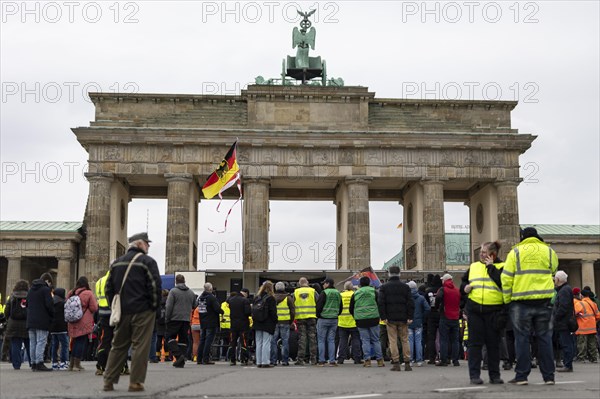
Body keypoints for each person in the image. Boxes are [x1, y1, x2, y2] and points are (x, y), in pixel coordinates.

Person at [103, 232, 162, 392]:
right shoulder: (147, 262)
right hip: (143, 310)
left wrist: (114, 307)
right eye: (147, 243)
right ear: (140, 244)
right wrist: (155, 309)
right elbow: (154, 287)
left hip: (122, 311)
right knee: (140, 346)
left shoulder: (116, 264)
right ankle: (135, 382)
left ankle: (108, 380)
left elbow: (109, 288)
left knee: (118, 346)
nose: (148, 246)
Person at [501, 227, 558, 385]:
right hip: (544, 300)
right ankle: (549, 377)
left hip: (521, 302)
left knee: (522, 339)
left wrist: (507, 300)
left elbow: (506, 278)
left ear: (522, 237)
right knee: (545, 338)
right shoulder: (548, 251)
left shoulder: (515, 252)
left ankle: (522, 376)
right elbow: (553, 269)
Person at [461, 241, 505, 385]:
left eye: (484, 252)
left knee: (493, 345)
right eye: (481, 251)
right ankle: (474, 375)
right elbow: (463, 283)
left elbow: (503, 284)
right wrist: (465, 288)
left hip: (494, 311)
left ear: (493, 254)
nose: (481, 254)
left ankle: (495, 375)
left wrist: (490, 267)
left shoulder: (502, 267)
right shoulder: (473, 266)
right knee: (475, 344)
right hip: (475, 311)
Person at [378, 265, 414, 372]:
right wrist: (410, 316)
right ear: (400, 273)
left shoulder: (384, 287)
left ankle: (396, 363)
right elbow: (410, 302)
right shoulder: (405, 287)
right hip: (403, 318)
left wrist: (383, 316)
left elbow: (381, 303)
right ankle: (407, 363)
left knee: (392, 340)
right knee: (405, 340)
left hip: (390, 318)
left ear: (389, 273)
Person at [95, 269, 129, 376]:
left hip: (103, 315)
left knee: (104, 341)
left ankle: (100, 367)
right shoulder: (117, 279)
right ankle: (123, 367)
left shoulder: (99, 281)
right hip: (115, 313)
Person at [350, 276, 384, 368]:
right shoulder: (374, 292)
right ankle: (380, 360)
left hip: (361, 320)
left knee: (365, 341)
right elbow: (380, 304)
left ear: (360, 284)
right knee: (376, 340)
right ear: (369, 283)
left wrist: (356, 316)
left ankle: (367, 360)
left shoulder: (356, 293)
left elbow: (351, 308)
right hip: (374, 319)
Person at [67, 276, 99, 371]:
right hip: (83, 321)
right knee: (81, 341)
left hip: (72, 320)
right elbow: (94, 308)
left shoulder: (71, 292)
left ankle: (71, 364)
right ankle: (77, 364)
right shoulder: (88, 293)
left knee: (74, 341)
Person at [165, 274, 196, 368]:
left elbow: (169, 306)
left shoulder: (173, 291)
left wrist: (167, 318)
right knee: (183, 340)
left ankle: (178, 356)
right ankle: (181, 361)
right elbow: (195, 305)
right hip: (186, 319)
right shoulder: (191, 292)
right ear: (184, 281)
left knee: (169, 338)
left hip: (174, 318)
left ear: (176, 281)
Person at [26, 272, 54, 372]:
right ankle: (39, 362)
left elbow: (27, 304)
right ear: (47, 281)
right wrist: (52, 315)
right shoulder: (45, 290)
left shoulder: (30, 290)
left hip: (31, 320)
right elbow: (49, 305)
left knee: (32, 342)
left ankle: (33, 363)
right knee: (41, 342)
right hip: (42, 320)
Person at [435, 273, 461, 367]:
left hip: (445, 316)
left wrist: (438, 307)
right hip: (455, 317)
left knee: (444, 339)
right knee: (455, 340)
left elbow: (438, 297)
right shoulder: (457, 290)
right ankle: (455, 360)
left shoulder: (443, 289)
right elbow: (461, 302)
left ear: (444, 281)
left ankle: (444, 360)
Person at [4, 280, 31, 370]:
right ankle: (32, 363)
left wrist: (9, 319)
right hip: (26, 323)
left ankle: (16, 364)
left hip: (13, 323)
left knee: (16, 344)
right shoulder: (29, 296)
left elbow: (6, 310)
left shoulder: (12, 296)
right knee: (29, 344)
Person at [316, 278, 342, 366]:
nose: (323, 285)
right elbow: (340, 306)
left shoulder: (324, 293)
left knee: (321, 340)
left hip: (323, 319)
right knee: (331, 340)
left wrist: (318, 315)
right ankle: (332, 360)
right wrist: (336, 314)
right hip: (334, 319)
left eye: (324, 283)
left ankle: (322, 360)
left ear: (328, 284)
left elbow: (319, 306)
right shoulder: (338, 293)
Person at [553, 270, 575, 372]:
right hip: (564, 322)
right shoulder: (565, 289)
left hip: (564, 322)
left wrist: (556, 317)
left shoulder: (564, 290)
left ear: (558, 279)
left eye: (555, 279)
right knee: (566, 343)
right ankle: (567, 364)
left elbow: (563, 307)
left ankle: (568, 365)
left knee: (566, 344)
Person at [196, 282, 223, 365]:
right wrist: (222, 311)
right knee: (208, 340)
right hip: (211, 321)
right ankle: (206, 358)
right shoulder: (211, 298)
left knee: (202, 340)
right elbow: (217, 309)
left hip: (202, 321)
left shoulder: (200, 298)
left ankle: (199, 358)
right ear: (210, 289)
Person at [252, 281, 278, 368]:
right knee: (266, 342)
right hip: (267, 323)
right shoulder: (271, 298)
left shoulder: (257, 297)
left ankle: (258, 361)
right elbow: (273, 313)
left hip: (257, 323)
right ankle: (265, 362)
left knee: (258, 342)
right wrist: (275, 321)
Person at [294, 277, 318, 365]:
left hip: (300, 318)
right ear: (307, 282)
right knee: (312, 338)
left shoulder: (296, 292)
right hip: (311, 317)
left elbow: (293, 305)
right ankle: (313, 359)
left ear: (299, 283)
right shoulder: (313, 291)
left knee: (302, 339)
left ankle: (300, 359)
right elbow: (318, 302)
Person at [337, 281, 362, 365]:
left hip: (342, 321)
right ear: (352, 287)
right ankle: (357, 358)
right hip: (354, 321)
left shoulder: (340, 295)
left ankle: (341, 358)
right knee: (356, 340)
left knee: (343, 341)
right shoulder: (355, 294)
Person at [573, 287, 600, 362]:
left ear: (581, 295)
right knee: (592, 344)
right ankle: (594, 358)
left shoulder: (580, 303)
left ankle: (582, 357)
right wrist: (594, 322)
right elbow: (598, 315)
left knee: (582, 343)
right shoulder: (593, 303)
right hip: (592, 327)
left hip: (582, 327)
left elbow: (575, 313)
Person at [271, 282, 295, 366]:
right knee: (285, 342)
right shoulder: (288, 298)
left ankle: (273, 360)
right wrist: (291, 321)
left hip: (274, 323)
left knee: (273, 341)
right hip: (285, 322)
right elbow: (292, 311)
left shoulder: (272, 297)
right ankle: (285, 360)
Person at [407, 280, 430, 367]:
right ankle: (419, 360)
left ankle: (410, 359)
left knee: (410, 341)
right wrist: (422, 317)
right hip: (418, 322)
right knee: (418, 341)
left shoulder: (407, 298)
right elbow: (427, 309)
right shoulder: (421, 298)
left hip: (409, 322)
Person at [228, 288, 251, 366]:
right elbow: (248, 312)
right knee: (244, 342)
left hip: (233, 324)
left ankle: (232, 359)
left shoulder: (231, 300)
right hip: (243, 325)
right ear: (246, 293)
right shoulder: (245, 300)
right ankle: (243, 359)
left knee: (232, 342)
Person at [49, 288, 69, 370]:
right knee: (64, 345)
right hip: (62, 327)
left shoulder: (51, 302)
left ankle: (54, 362)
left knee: (54, 345)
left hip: (53, 327)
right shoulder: (63, 303)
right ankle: (63, 362)